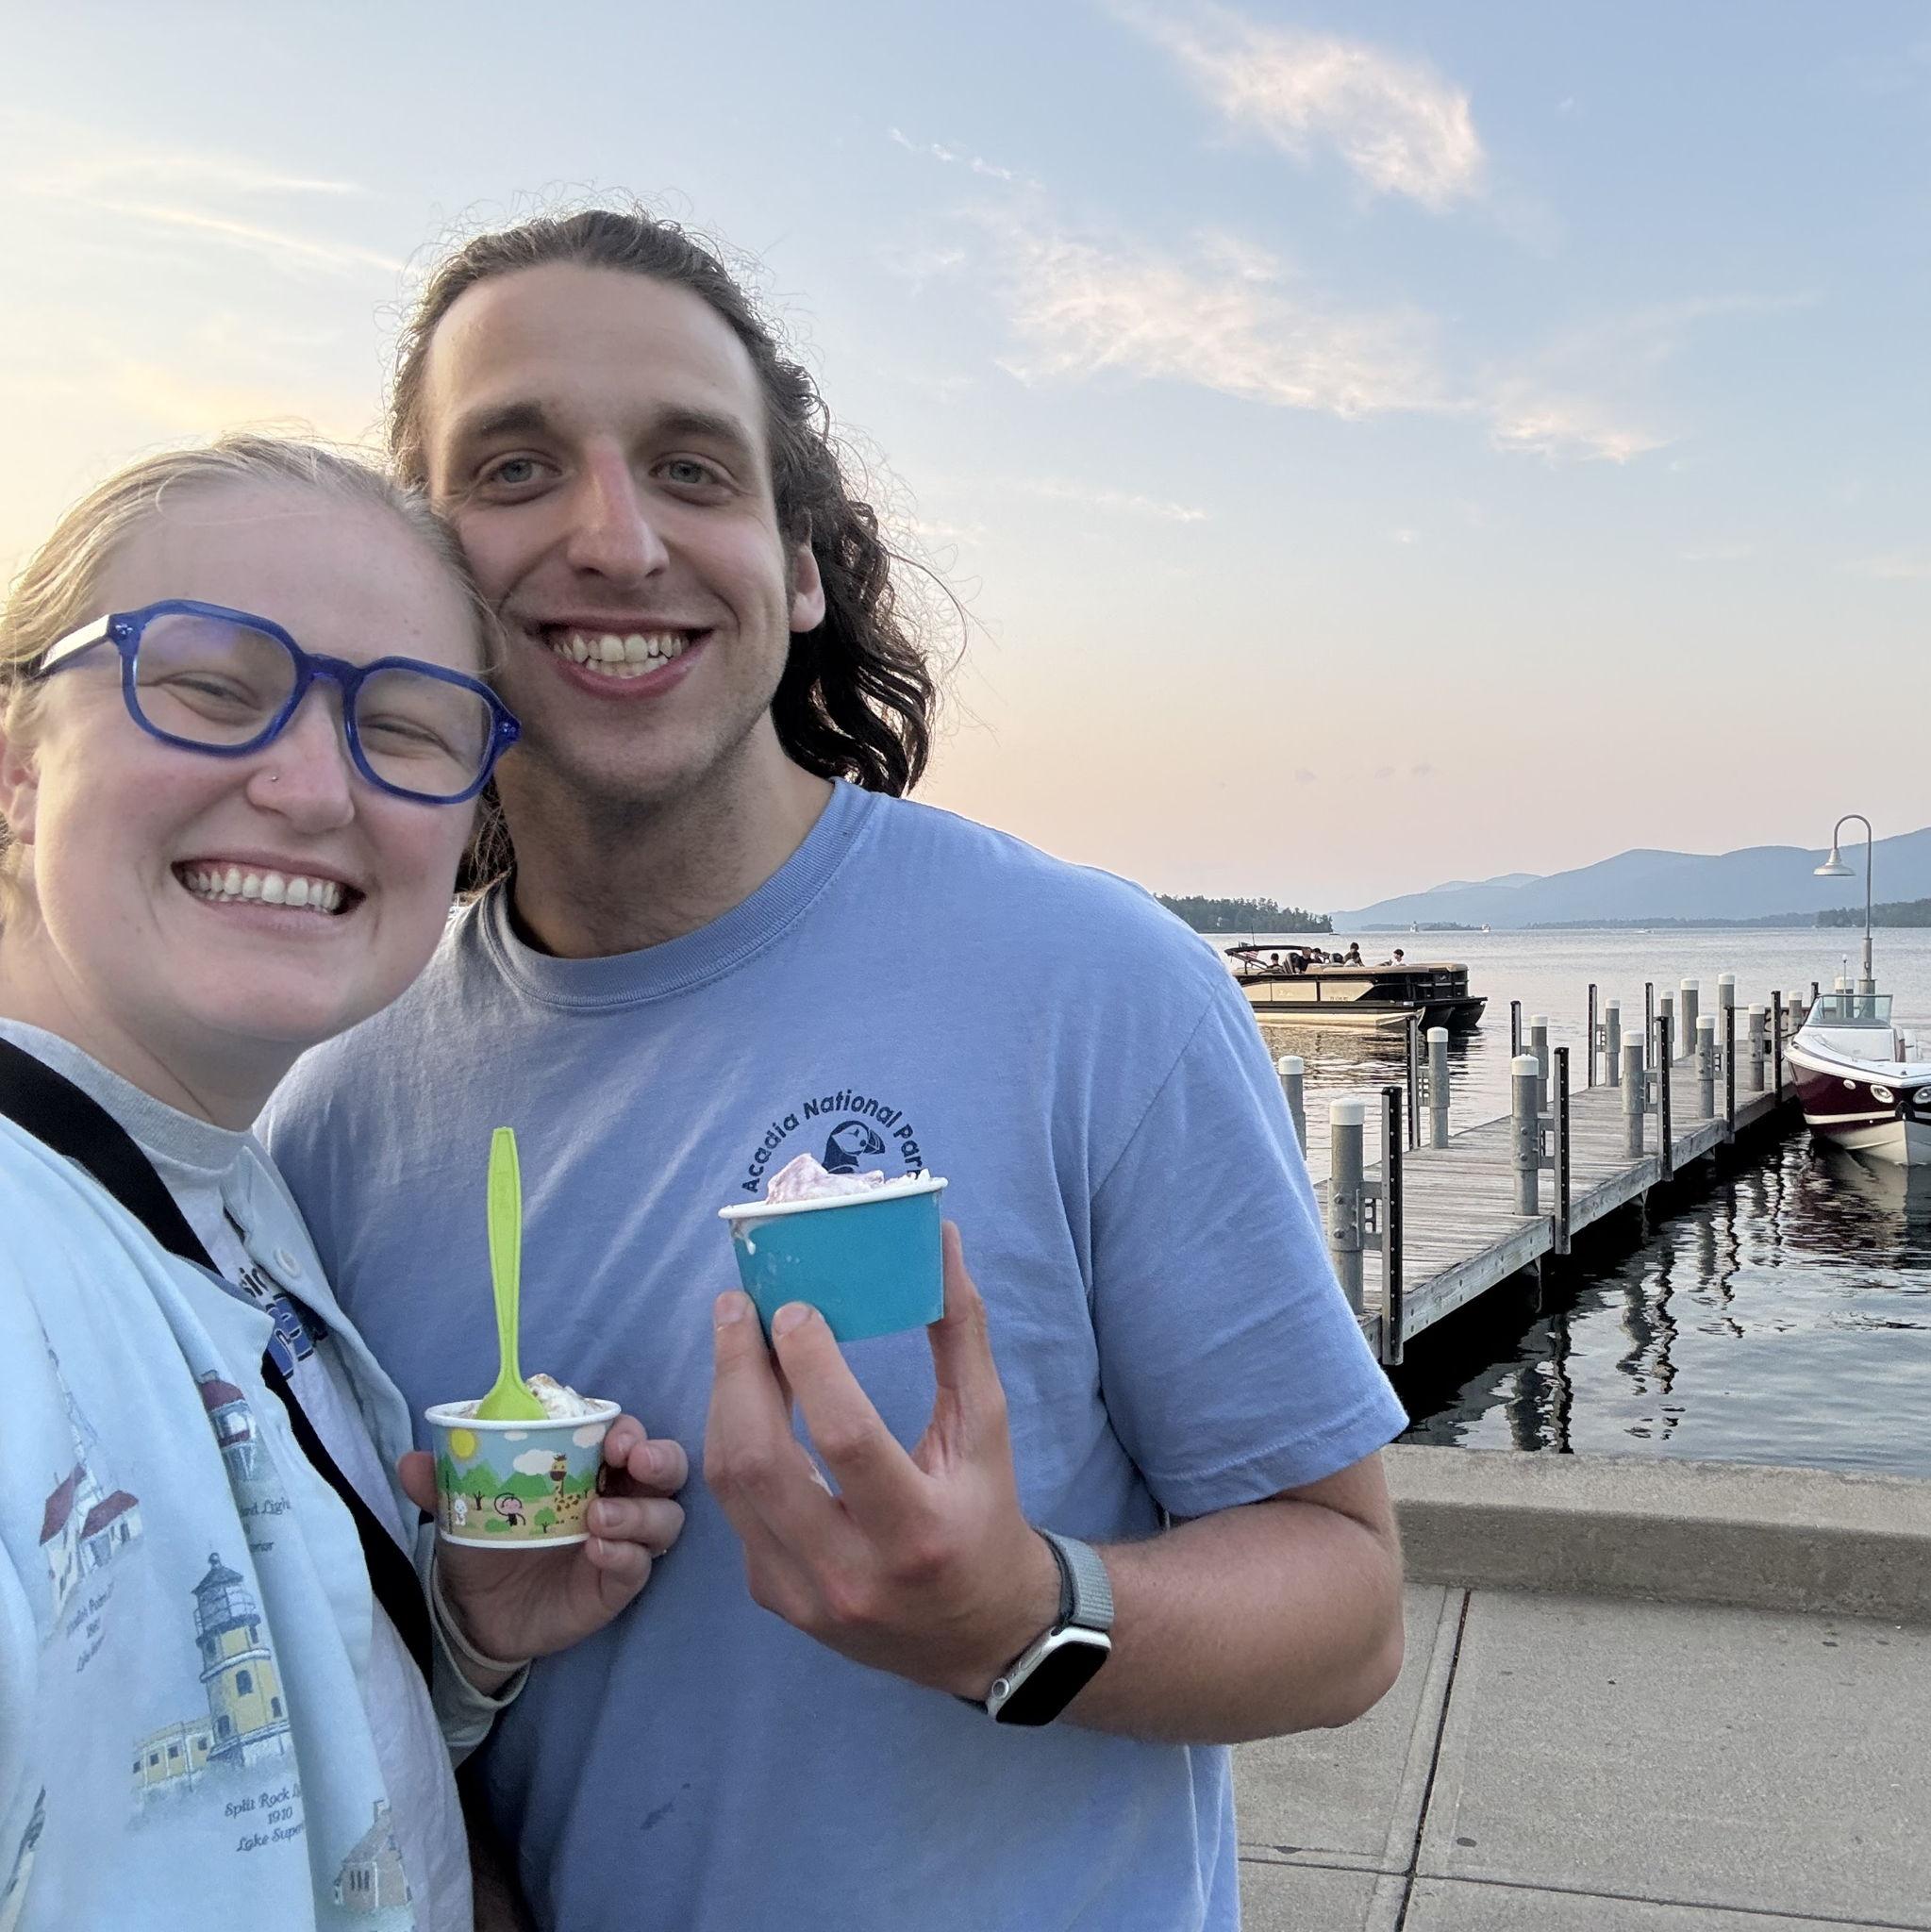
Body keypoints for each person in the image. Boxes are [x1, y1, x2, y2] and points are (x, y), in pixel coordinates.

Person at [264, 208, 1407, 1932]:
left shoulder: (1096, 988)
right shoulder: (331, 1111)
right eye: (512, 468)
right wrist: (469, 1632)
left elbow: (1349, 1609)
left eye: (693, 468)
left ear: (800, 568)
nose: (617, 535)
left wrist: (1019, 1616)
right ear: (420, 579)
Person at [0, 437, 686, 1930]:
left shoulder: (226, 1196)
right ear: (16, 769)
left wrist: (451, 1634)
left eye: (411, 722)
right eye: (206, 686)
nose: (315, 787)